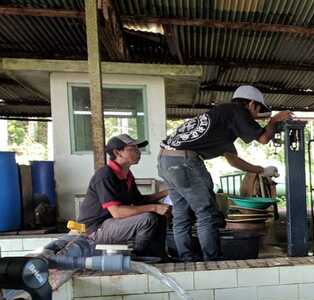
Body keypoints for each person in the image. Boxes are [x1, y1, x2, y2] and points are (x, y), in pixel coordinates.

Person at [158, 85, 292, 261]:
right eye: (258, 109)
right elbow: (263, 138)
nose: (255, 115)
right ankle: (211, 260)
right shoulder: (237, 111)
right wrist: (273, 121)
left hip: (165, 160)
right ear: (251, 103)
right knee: (206, 212)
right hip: (184, 163)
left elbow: (233, 159)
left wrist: (261, 170)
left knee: (182, 214)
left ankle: (187, 259)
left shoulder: (220, 119)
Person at [78, 134, 171, 258]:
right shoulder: (105, 175)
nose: (139, 152)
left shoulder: (126, 174)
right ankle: (138, 257)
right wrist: (154, 207)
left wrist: (167, 192)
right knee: (148, 219)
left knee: (159, 215)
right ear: (118, 153)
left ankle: (158, 257)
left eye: (138, 149)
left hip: (112, 223)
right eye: (133, 149)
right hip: (94, 229)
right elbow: (117, 212)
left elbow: (139, 201)